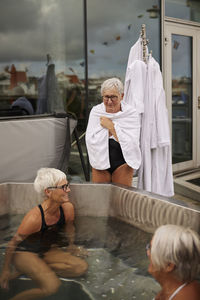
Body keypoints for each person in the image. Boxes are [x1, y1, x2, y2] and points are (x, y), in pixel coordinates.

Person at [0, 168, 88, 300]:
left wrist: (71, 245)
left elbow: (69, 227)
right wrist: (6, 270)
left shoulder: (67, 208)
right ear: (48, 192)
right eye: (63, 187)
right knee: (52, 287)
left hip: (47, 249)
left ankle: (32, 271)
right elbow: (13, 244)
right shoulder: (34, 218)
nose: (68, 190)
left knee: (81, 268)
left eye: (67, 186)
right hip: (25, 253)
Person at [86, 78, 141, 186]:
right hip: (99, 161)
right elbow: (90, 139)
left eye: (113, 97)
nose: (109, 101)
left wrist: (110, 126)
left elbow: (132, 142)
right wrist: (117, 133)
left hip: (123, 162)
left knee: (121, 198)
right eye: (106, 97)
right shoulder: (96, 111)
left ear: (122, 96)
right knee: (101, 198)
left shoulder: (131, 113)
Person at [146, 224, 200, 300]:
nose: (148, 252)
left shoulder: (186, 297)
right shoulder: (173, 288)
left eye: (151, 249)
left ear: (168, 266)